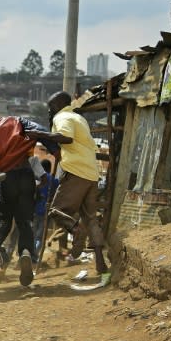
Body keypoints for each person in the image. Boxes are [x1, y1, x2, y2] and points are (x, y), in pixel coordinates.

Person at [26, 91, 109, 281]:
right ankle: (101, 265)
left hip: (76, 170)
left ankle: (75, 229)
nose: (49, 111)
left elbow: (66, 138)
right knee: (91, 219)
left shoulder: (62, 117)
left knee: (56, 211)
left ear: (60, 105)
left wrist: (38, 134)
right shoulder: (78, 117)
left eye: (51, 107)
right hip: (91, 173)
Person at [0, 101, 58, 287]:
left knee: (4, 222)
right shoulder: (18, 121)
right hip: (27, 177)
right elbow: (42, 131)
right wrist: (54, 150)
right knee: (24, 222)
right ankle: (26, 253)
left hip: (6, 178)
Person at [33, 158, 59, 257]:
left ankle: (31, 253)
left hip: (35, 210)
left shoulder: (37, 178)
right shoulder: (54, 181)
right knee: (40, 237)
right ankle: (35, 254)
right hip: (46, 211)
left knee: (33, 234)